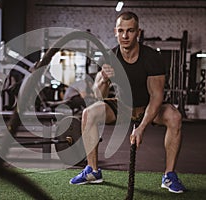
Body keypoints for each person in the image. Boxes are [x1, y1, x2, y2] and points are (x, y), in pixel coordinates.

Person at [69, 11, 186, 194]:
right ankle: (92, 171)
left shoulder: (152, 58)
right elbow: (98, 96)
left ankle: (169, 175)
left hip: (146, 107)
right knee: (88, 113)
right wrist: (103, 79)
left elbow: (156, 97)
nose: (125, 36)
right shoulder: (110, 57)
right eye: (121, 31)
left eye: (130, 31)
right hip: (121, 106)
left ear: (138, 32)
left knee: (174, 116)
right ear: (115, 31)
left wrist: (141, 127)